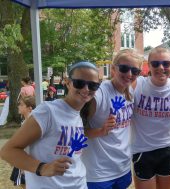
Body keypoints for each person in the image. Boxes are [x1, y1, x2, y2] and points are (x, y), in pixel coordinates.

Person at [0, 61, 100, 189]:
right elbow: (8, 151)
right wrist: (42, 168)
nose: (86, 89)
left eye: (93, 85)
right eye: (79, 83)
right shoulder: (48, 111)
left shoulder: (79, 113)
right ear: (68, 82)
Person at [81, 49, 143, 189]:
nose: (129, 74)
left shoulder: (130, 92)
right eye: (124, 68)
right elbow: (76, 130)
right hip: (98, 174)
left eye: (135, 71)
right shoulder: (99, 94)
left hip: (122, 168)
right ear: (113, 69)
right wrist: (100, 131)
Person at [131, 47, 170, 189]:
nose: (161, 68)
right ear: (148, 65)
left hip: (168, 148)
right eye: (155, 64)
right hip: (143, 149)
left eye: (166, 63)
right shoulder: (138, 84)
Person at [10, 96, 36, 189]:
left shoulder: (31, 122)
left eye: (21, 105)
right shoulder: (25, 121)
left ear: (29, 108)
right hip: (24, 158)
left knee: (25, 183)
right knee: (22, 183)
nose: (18, 107)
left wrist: (23, 166)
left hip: (27, 158)